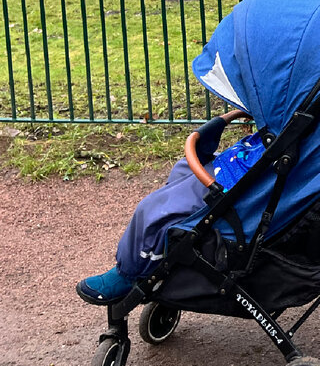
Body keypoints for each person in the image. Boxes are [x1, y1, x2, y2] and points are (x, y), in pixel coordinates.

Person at [76, 129, 264, 303]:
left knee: (153, 210)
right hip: (252, 160)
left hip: (243, 182)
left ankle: (132, 273)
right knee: (184, 168)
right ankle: (159, 258)